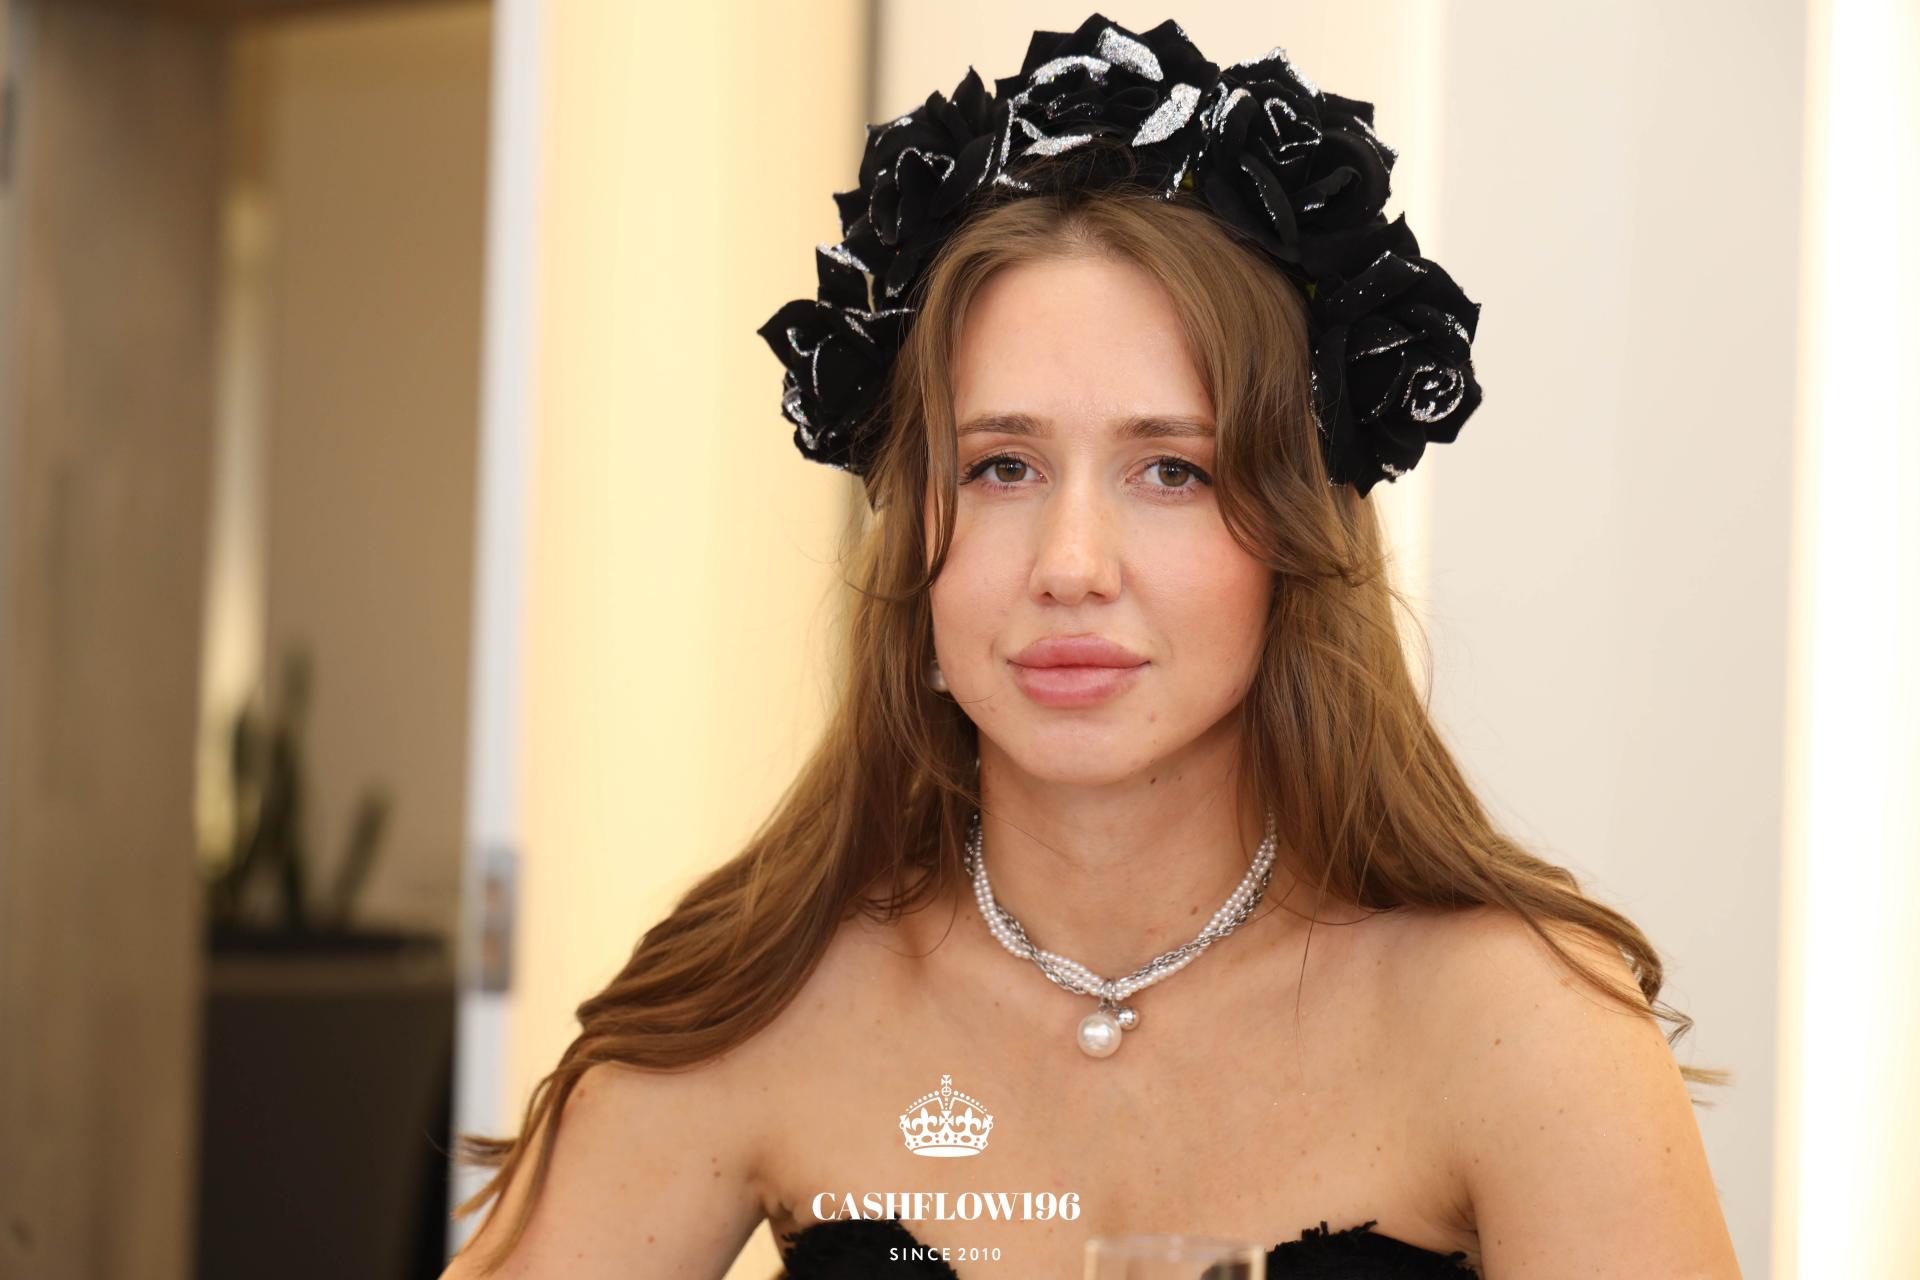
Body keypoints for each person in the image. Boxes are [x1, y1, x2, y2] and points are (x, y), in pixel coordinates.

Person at [440, 15, 1741, 1279]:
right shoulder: (764, 990)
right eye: (1001, 467)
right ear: (914, 543)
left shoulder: (1527, 1024)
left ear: (1297, 542)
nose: (1070, 565)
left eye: (1171, 470)